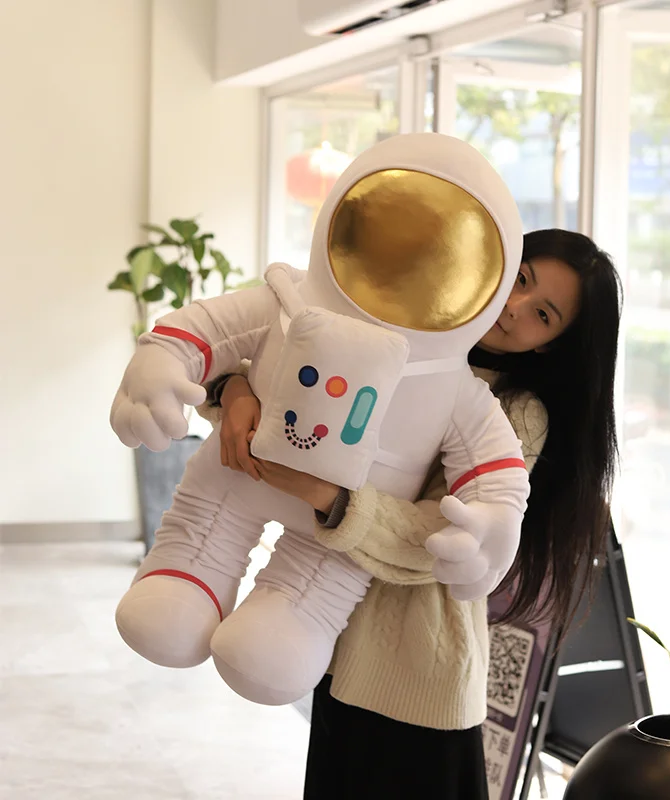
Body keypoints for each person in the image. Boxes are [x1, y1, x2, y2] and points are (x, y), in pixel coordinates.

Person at [200, 228, 622, 799]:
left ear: (550, 344)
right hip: (329, 638)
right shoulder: (401, 338)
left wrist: (327, 495)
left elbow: (441, 541)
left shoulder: (517, 413)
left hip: (416, 676)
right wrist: (234, 389)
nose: (515, 306)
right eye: (520, 280)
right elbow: (289, 381)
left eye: (542, 314)